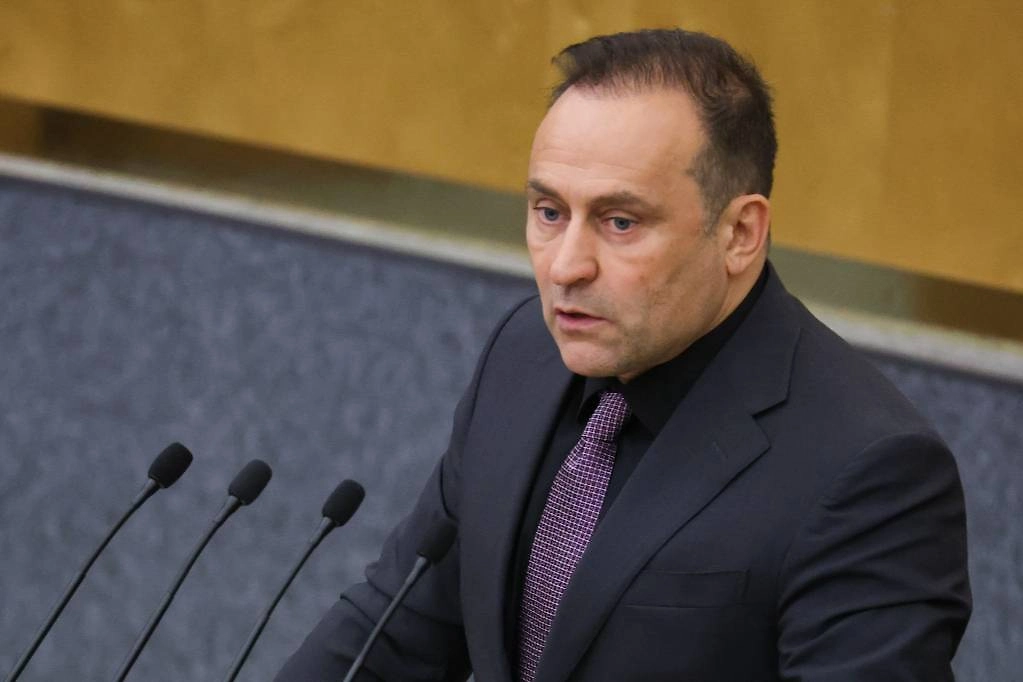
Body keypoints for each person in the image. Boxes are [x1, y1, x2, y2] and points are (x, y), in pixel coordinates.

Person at [277, 28, 971, 681]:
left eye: (619, 222)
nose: (566, 266)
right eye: (549, 213)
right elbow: (393, 629)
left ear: (739, 233)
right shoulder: (523, 356)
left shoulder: (870, 472)